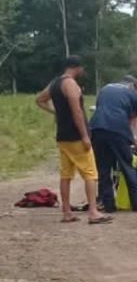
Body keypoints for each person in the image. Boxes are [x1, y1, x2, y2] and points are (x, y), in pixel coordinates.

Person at [35, 55, 111, 224]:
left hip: (62, 136)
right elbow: (77, 112)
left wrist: (55, 113)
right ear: (77, 67)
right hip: (76, 135)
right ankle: (93, 212)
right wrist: (85, 135)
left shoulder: (54, 84)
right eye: (82, 68)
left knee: (66, 175)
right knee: (90, 173)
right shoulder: (70, 84)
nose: (83, 71)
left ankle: (67, 212)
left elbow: (39, 100)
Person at [90, 77, 137, 213]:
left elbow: (101, 109)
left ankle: (109, 206)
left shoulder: (105, 88)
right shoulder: (133, 94)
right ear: (135, 86)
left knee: (103, 169)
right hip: (118, 130)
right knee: (127, 166)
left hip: (97, 129)